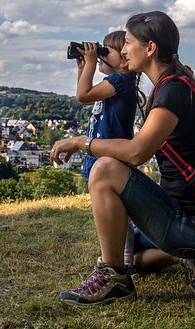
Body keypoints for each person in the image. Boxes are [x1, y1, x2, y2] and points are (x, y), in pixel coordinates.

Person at [51, 11, 195, 306]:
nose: (123, 50)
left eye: (127, 43)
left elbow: (137, 152)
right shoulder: (176, 84)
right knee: (132, 257)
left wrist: (81, 142)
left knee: (104, 169)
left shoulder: (172, 92)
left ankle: (114, 278)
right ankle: (193, 257)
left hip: (194, 223)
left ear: (150, 48)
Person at [75, 31, 139, 270]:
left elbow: (83, 96)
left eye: (106, 51)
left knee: (117, 213)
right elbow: (86, 94)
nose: (100, 55)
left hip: (110, 158)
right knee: (110, 210)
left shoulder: (119, 82)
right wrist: (83, 68)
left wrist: (91, 62)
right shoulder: (114, 83)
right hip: (103, 155)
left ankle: (121, 259)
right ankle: (121, 256)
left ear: (123, 59)